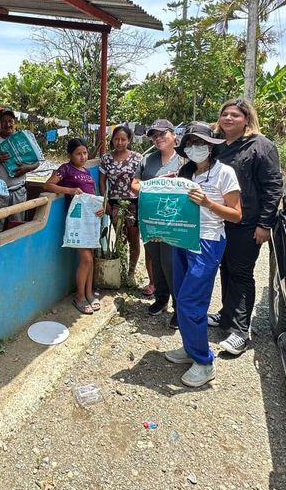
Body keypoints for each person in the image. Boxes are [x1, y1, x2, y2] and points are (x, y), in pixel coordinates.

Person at [162, 123, 242, 387]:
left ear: (211, 146)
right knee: (181, 295)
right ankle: (190, 348)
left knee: (191, 301)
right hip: (183, 238)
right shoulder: (186, 173)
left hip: (207, 241)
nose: (195, 148)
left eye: (201, 143)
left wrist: (208, 203)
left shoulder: (224, 173)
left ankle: (204, 362)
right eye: (190, 144)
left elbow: (236, 214)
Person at [209, 98, 283, 355]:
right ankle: (226, 314)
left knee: (241, 273)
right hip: (220, 219)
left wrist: (265, 224)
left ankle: (240, 331)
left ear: (247, 119)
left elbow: (273, 187)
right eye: (225, 114)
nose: (229, 118)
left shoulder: (261, 146)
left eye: (235, 115)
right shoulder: (216, 145)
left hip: (247, 223)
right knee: (225, 268)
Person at [132, 118, 184, 327]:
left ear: (173, 134)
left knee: (172, 264)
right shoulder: (148, 160)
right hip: (151, 220)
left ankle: (180, 308)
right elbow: (134, 184)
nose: (158, 138)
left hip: (175, 222)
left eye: (162, 134)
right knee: (156, 261)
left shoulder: (184, 159)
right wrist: (154, 187)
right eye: (154, 136)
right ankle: (161, 299)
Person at [44, 138, 103, 315]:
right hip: (77, 222)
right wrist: (69, 190)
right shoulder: (65, 169)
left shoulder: (87, 172)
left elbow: (92, 195)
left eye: (85, 153)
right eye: (78, 154)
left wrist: (100, 209)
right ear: (70, 155)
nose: (83, 157)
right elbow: (48, 184)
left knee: (90, 257)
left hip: (91, 219)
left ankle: (89, 293)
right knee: (86, 259)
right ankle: (79, 296)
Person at [0, 109, 40, 230]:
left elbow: (37, 162)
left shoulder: (22, 139)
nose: (8, 124)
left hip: (18, 191)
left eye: (10, 121)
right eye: (4, 121)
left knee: (17, 228)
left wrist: (27, 168)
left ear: (14, 123)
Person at [98, 125, 143, 282]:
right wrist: (106, 202)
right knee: (119, 236)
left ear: (129, 140)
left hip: (133, 202)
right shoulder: (106, 158)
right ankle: (120, 269)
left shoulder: (137, 158)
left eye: (123, 139)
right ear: (112, 139)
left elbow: (141, 181)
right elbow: (102, 182)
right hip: (114, 202)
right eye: (116, 139)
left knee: (133, 237)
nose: (119, 142)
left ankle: (131, 273)